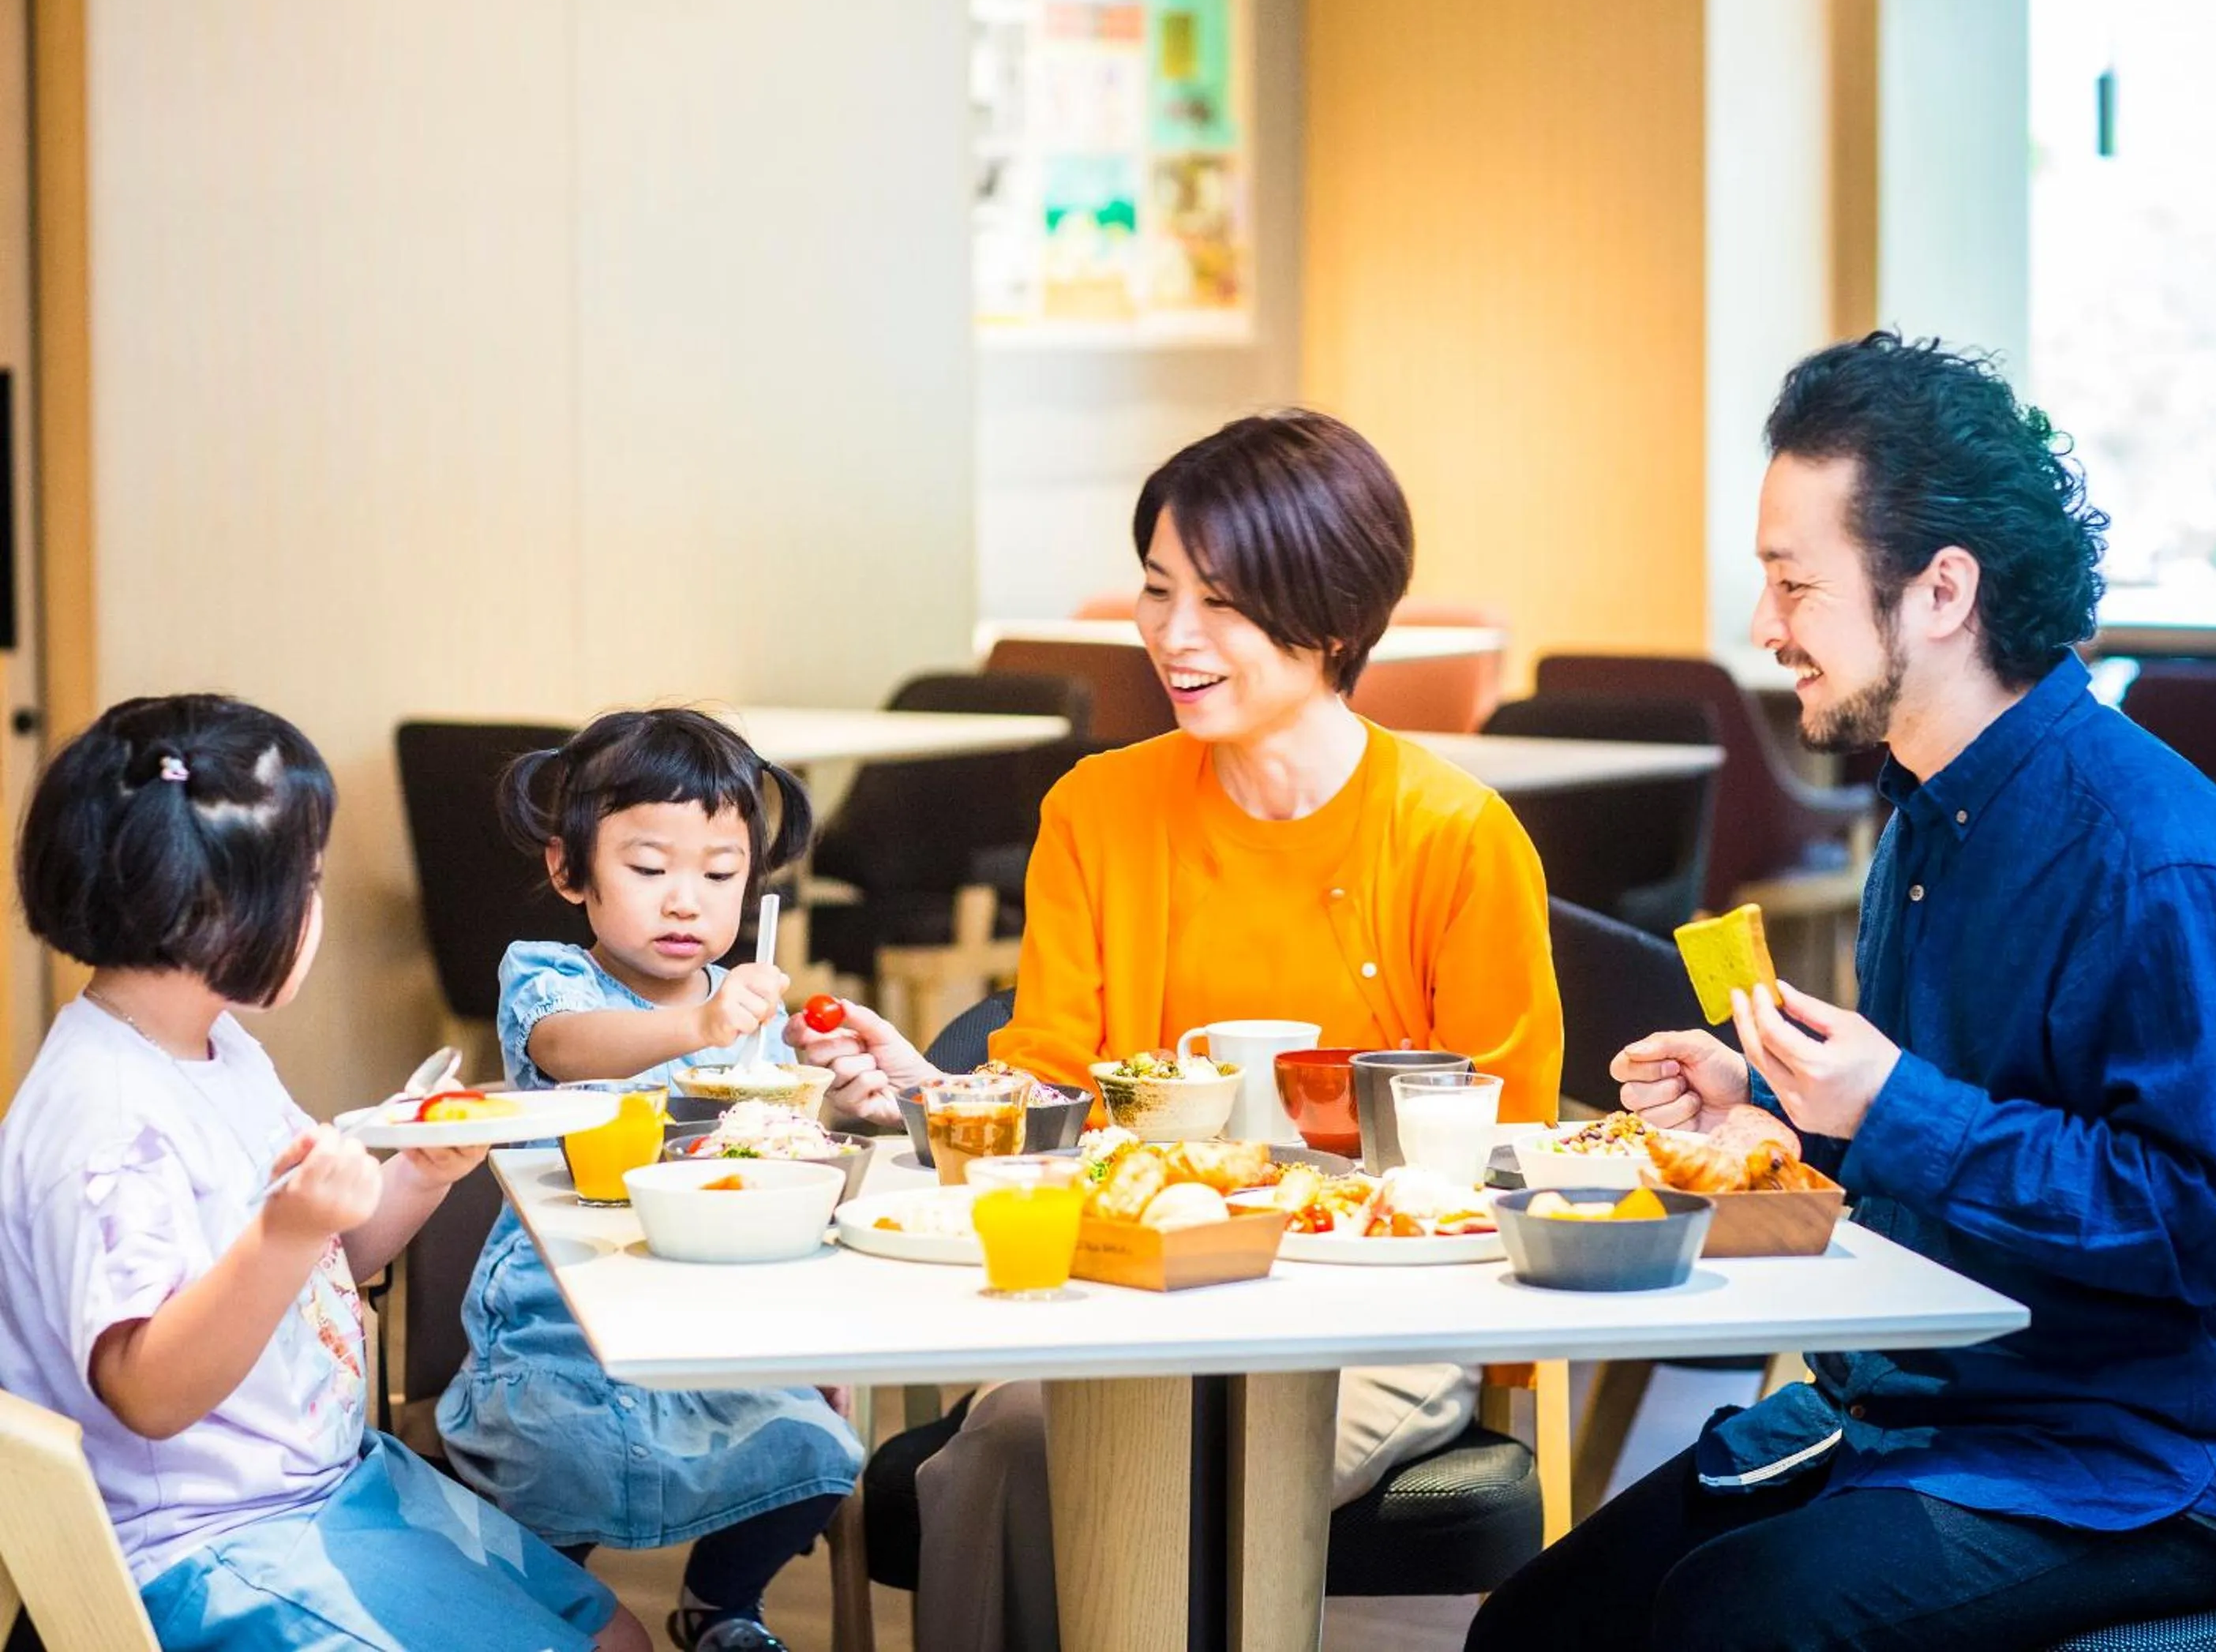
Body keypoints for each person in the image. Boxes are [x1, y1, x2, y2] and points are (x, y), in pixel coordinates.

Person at [1470, 332, 2216, 1651]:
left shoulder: (2156, 862)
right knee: (1539, 1626)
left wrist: (1896, 1104)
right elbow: (1960, 1129)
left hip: (2114, 1464)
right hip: (1906, 1409)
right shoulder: (1923, 815)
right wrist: (1785, 1108)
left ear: (1943, 591)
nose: (1762, 628)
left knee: (1727, 1624)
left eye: (1795, 584)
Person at [793, 410, 1565, 1652]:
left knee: (1189, 1458)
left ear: (1333, 611)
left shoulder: (1455, 839)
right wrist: (931, 1098)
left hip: (1367, 1311)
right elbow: (1044, 1078)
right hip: (1125, 1288)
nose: (1174, 635)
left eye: (1224, 602)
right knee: (1003, 1449)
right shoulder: (1099, 810)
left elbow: (1503, 1138)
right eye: (1158, 592)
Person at [0, 694, 642, 1651]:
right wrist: (286, 1232)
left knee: (614, 1633)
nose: (316, 904)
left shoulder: (214, 1047)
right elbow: (147, 1390)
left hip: (330, 1479)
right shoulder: (105, 1121)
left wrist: (420, 1173)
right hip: (209, 1548)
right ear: (211, 905)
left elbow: (330, 1258)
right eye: (304, 878)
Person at [437, 709, 862, 1652]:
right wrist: (699, 1032)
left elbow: (781, 1169)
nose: (686, 902)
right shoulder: (550, 980)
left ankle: (723, 1605)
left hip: (714, 1313)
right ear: (568, 870)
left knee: (820, 1452)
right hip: (564, 1320)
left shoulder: (742, 1005)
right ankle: (546, 1612)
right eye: (648, 868)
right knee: (554, 1473)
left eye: (719, 875)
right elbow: (567, 1049)